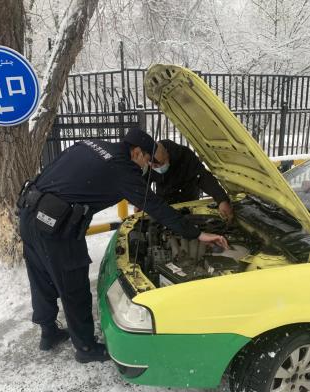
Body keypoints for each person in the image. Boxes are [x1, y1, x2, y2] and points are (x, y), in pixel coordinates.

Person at [18, 128, 228, 364]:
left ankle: (48, 331)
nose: (148, 166)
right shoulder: (123, 169)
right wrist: (197, 234)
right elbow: (156, 206)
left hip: (29, 211)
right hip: (57, 228)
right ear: (137, 152)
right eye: (148, 160)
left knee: (41, 275)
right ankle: (86, 348)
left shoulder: (90, 143)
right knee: (73, 287)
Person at [145, 139, 233, 221]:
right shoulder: (150, 160)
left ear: (167, 154)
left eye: (161, 164)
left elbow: (203, 177)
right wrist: (141, 200)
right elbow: (143, 182)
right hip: (164, 205)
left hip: (189, 204)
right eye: (154, 166)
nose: (158, 169)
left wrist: (222, 200)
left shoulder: (185, 155)